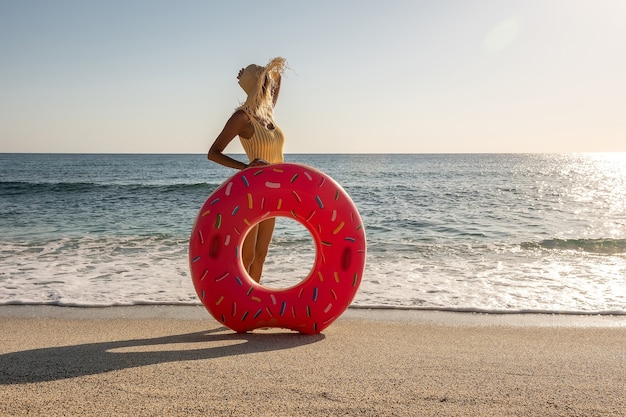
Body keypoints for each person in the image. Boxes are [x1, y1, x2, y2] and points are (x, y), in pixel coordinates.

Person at [207, 57, 288, 283]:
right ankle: (240, 308)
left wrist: (263, 73)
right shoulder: (242, 118)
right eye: (263, 82)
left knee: (261, 255)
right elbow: (213, 152)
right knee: (248, 256)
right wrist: (245, 168)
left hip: (274, 193)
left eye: (267, 82)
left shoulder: (268, 113)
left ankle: (254, 309)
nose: (268, 86)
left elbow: (279, 79)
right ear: (256, 86)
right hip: (253, 193)